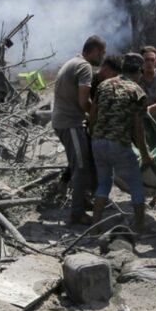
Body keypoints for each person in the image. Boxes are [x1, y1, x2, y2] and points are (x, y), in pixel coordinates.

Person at [89, 53, 152, 234]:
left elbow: (93, 114)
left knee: (103, 184)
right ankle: (140, 226)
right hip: (119, 144)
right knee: (136, 184)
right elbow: (138, 128)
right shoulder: (137, 92)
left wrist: (94, 135)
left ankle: (95, 226)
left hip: (98, 142)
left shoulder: (104, 85)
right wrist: (145, 154)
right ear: (139, 72)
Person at [52, 35, 106, 225]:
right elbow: (83, 101)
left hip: (65, 121)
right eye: (102, 53)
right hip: (70, 123)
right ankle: (77, 213)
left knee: (82, 163)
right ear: (95, 51)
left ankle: (82, 200)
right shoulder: (84, 67)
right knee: (81, 167)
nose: (102, 57)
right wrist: (95, 116)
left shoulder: (73, 62)